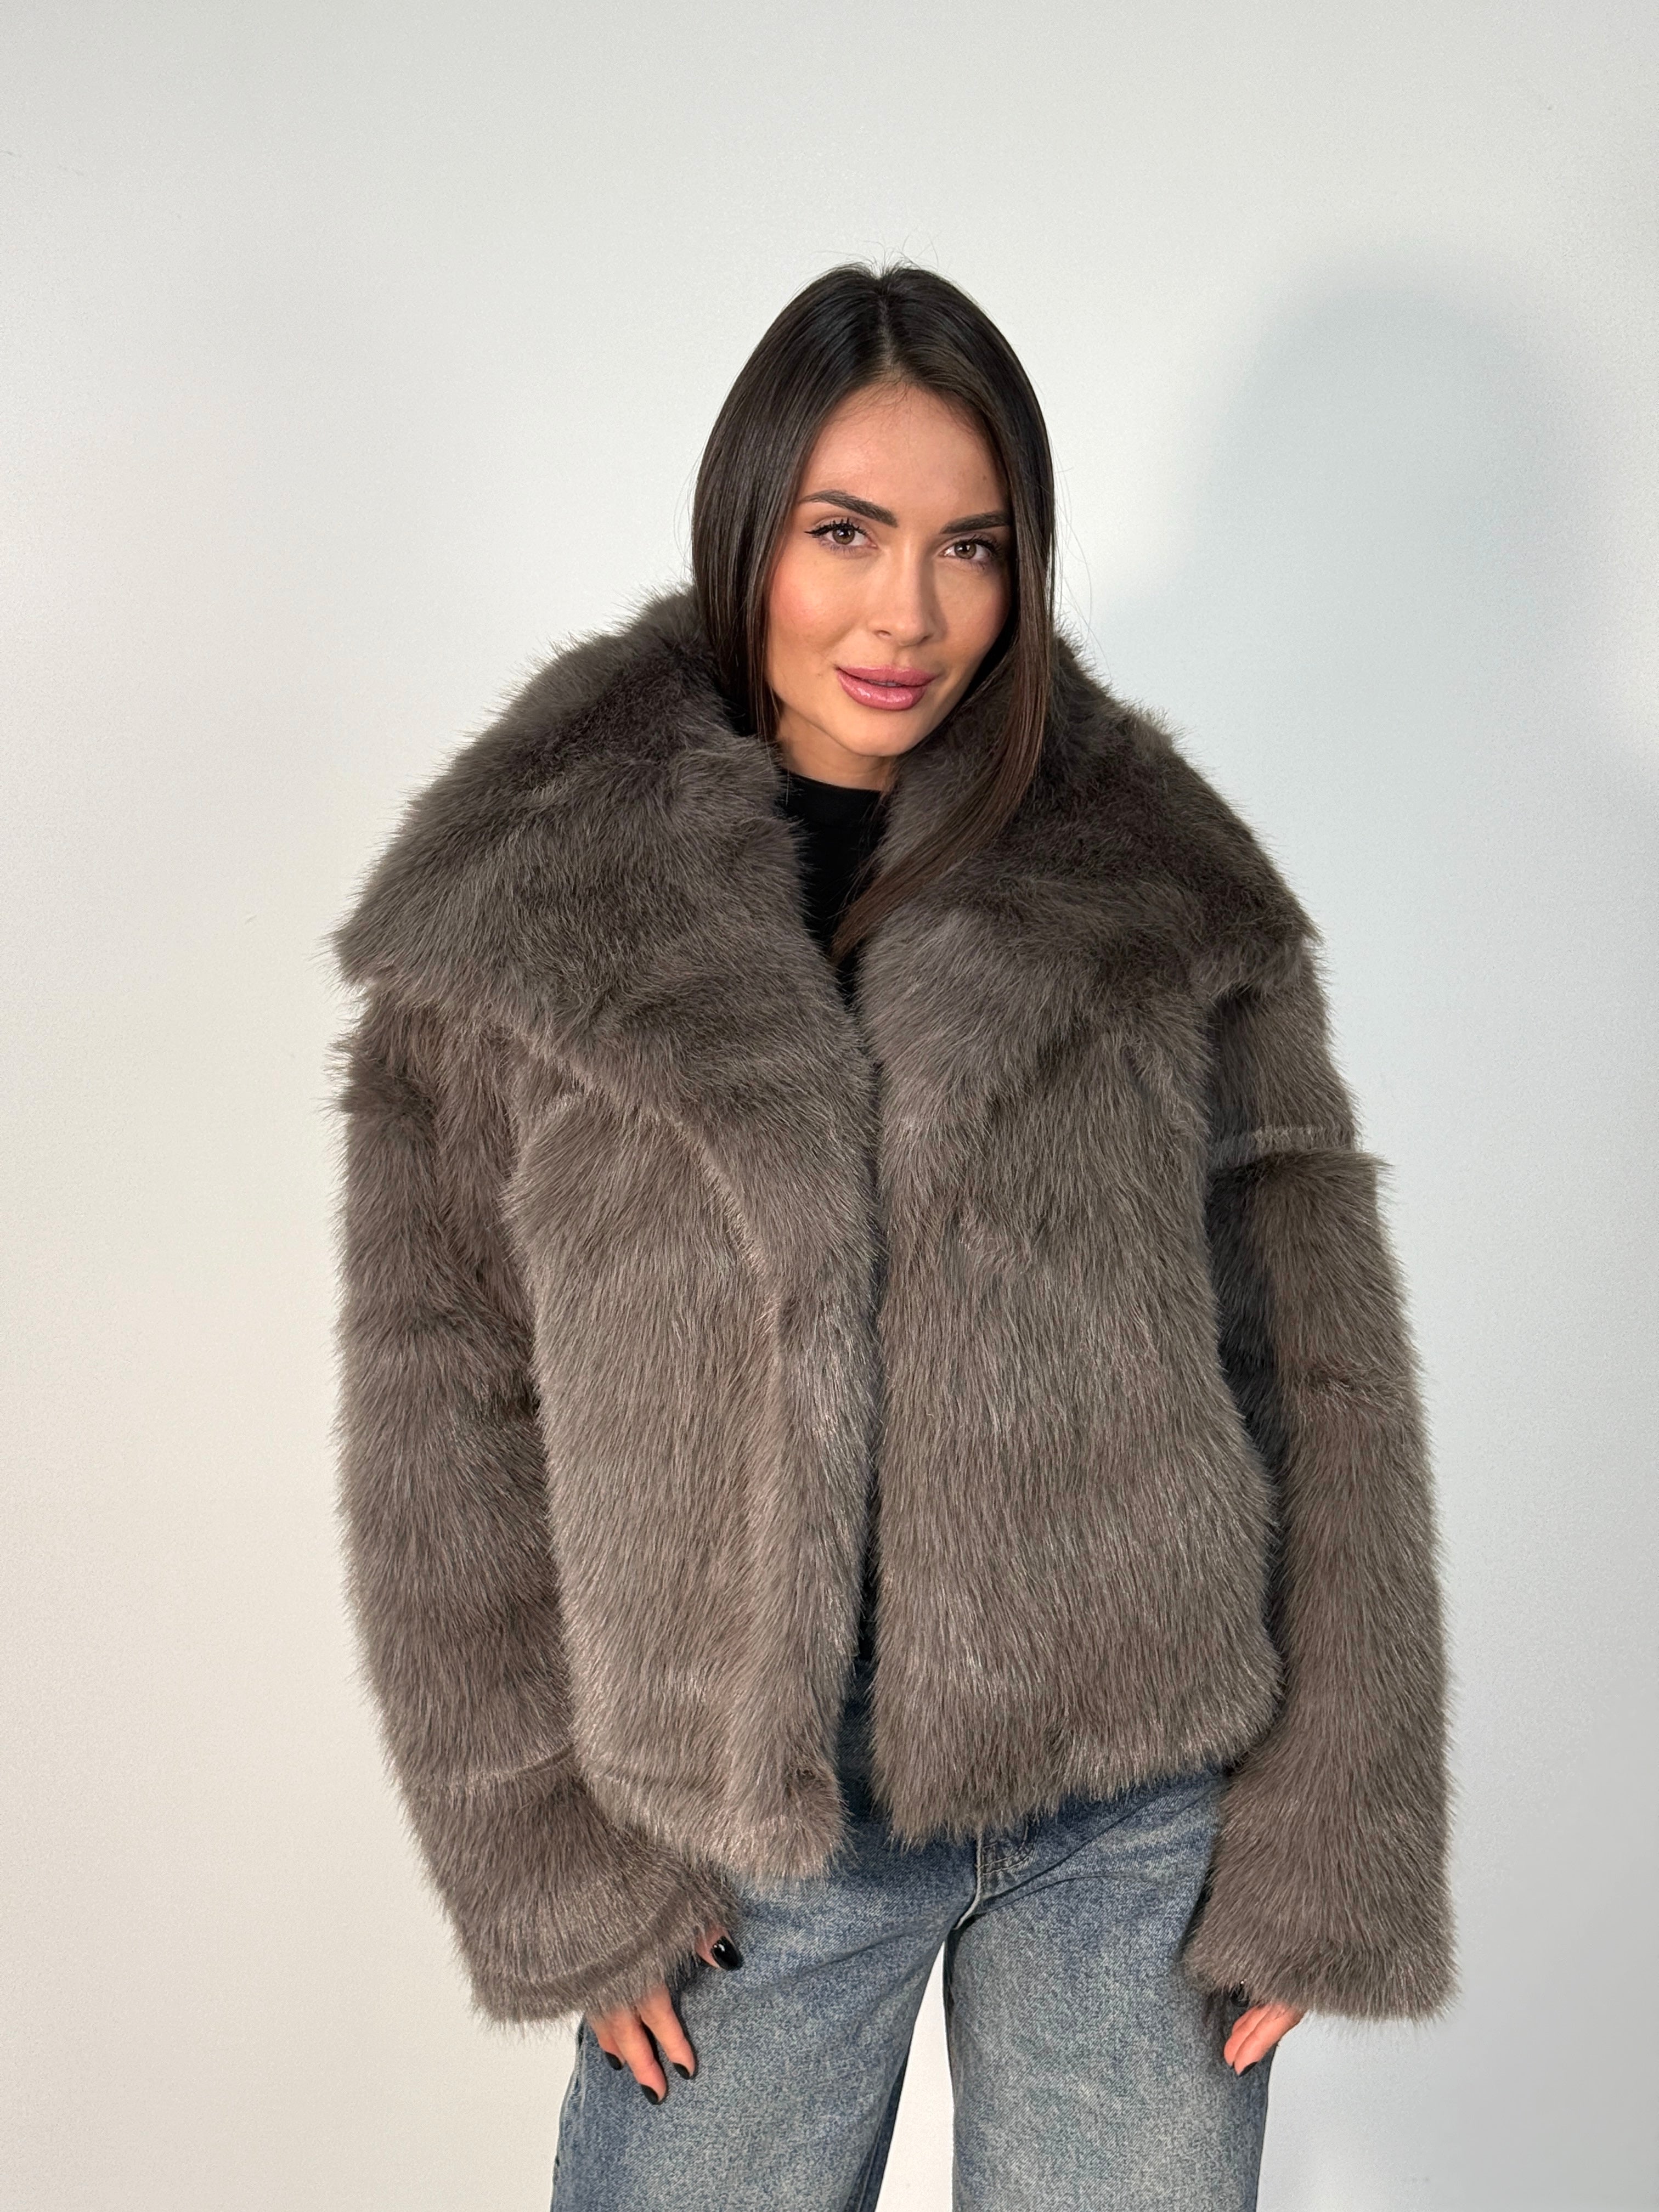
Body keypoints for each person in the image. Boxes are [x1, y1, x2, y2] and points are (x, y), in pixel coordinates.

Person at [331, 263, 1453, 2210]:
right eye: (844, 532)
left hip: (1133, 1819)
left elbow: (1317, 1367)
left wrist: (1327, 1839)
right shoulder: (522, 907)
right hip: (738, 1842)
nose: (906, 613)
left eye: (971, 547)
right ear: (746, 522)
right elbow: (441, 1410)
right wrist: (558, 1876)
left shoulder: (1161, 886)